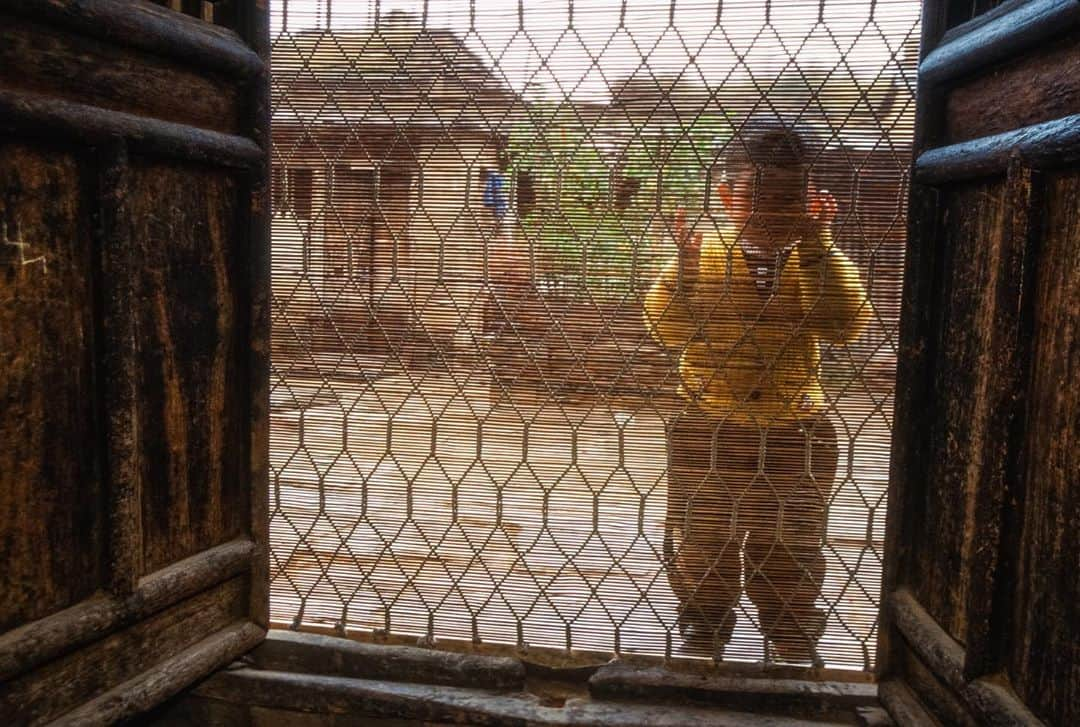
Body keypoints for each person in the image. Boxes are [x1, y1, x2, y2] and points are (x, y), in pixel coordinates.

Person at [642, 115, 870, 664]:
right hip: (706, 422)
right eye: (757, 195)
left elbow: (844, 323)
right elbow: (666, 329)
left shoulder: (817, 256)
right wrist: (684, 266)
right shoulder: (700, 253)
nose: (771, 211)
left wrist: (817, 249)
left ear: (814, 201)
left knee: (789, 540)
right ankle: (703, 625)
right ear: (725, 195)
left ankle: (789, 632)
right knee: (702, 538)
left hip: (797, 426)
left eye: (789, 198)